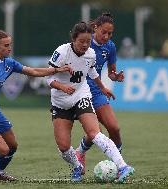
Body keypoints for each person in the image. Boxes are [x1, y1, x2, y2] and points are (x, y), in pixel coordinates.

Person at [0, 29, 71, 182]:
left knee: (12, 146)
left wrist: (56, 70)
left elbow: (32, 70)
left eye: (10, 44)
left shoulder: (9, 63)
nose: (9, 48)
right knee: (2, 150)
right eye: (6, 45)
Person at [46, 21, 134, 182]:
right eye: (81, 41)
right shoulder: (61, 52)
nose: (85, 45)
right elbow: (48, 77)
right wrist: (62, 87)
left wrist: (102, 87)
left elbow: (92, 71)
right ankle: (77, 166)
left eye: (88, 41)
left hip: (81, 95)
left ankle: (123, 167)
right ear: (73, 38)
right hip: (61, 102)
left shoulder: (91, 53)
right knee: (64, 147)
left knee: (94, 133)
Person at [75, 13, 126, 175]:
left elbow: (111, 72)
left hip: (97, 91)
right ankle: (80, 153)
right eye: (104, 32)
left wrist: (115, 76)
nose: (106, 36)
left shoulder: (110, 46)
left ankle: (117, 165)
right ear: (95, 28)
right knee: (96, 133)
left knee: (114, 128)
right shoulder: (85, 43)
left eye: (110, 33)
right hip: (81, 91)